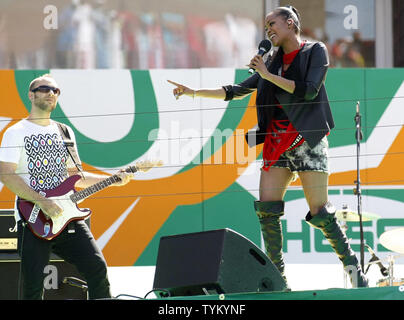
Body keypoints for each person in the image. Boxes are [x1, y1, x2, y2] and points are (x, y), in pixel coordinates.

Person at [167, 6, 368, 288]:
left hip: (306, 138)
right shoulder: (270, 62)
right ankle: (278, 281)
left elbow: (309, 90)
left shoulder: (315, 51)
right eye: (266, 26)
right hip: (275, 141)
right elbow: (235, 90)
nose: (268, 30)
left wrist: (267, 74)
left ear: (290, 23)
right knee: (267, 210)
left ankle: (355, 274)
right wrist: (193, 92)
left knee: (320, 211)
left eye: (272, 23)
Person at [0, 74, 134, 299]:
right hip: (33, 219)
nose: (51, 94)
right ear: (31, 95)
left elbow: (76, 177)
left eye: (56, 91)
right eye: (44, 89)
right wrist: (42, 201)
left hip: (67, 217)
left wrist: (112, 178)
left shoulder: (65, 132)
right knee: (33, 286)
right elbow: (6, 174)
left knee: (97, 267)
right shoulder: (16, 132)